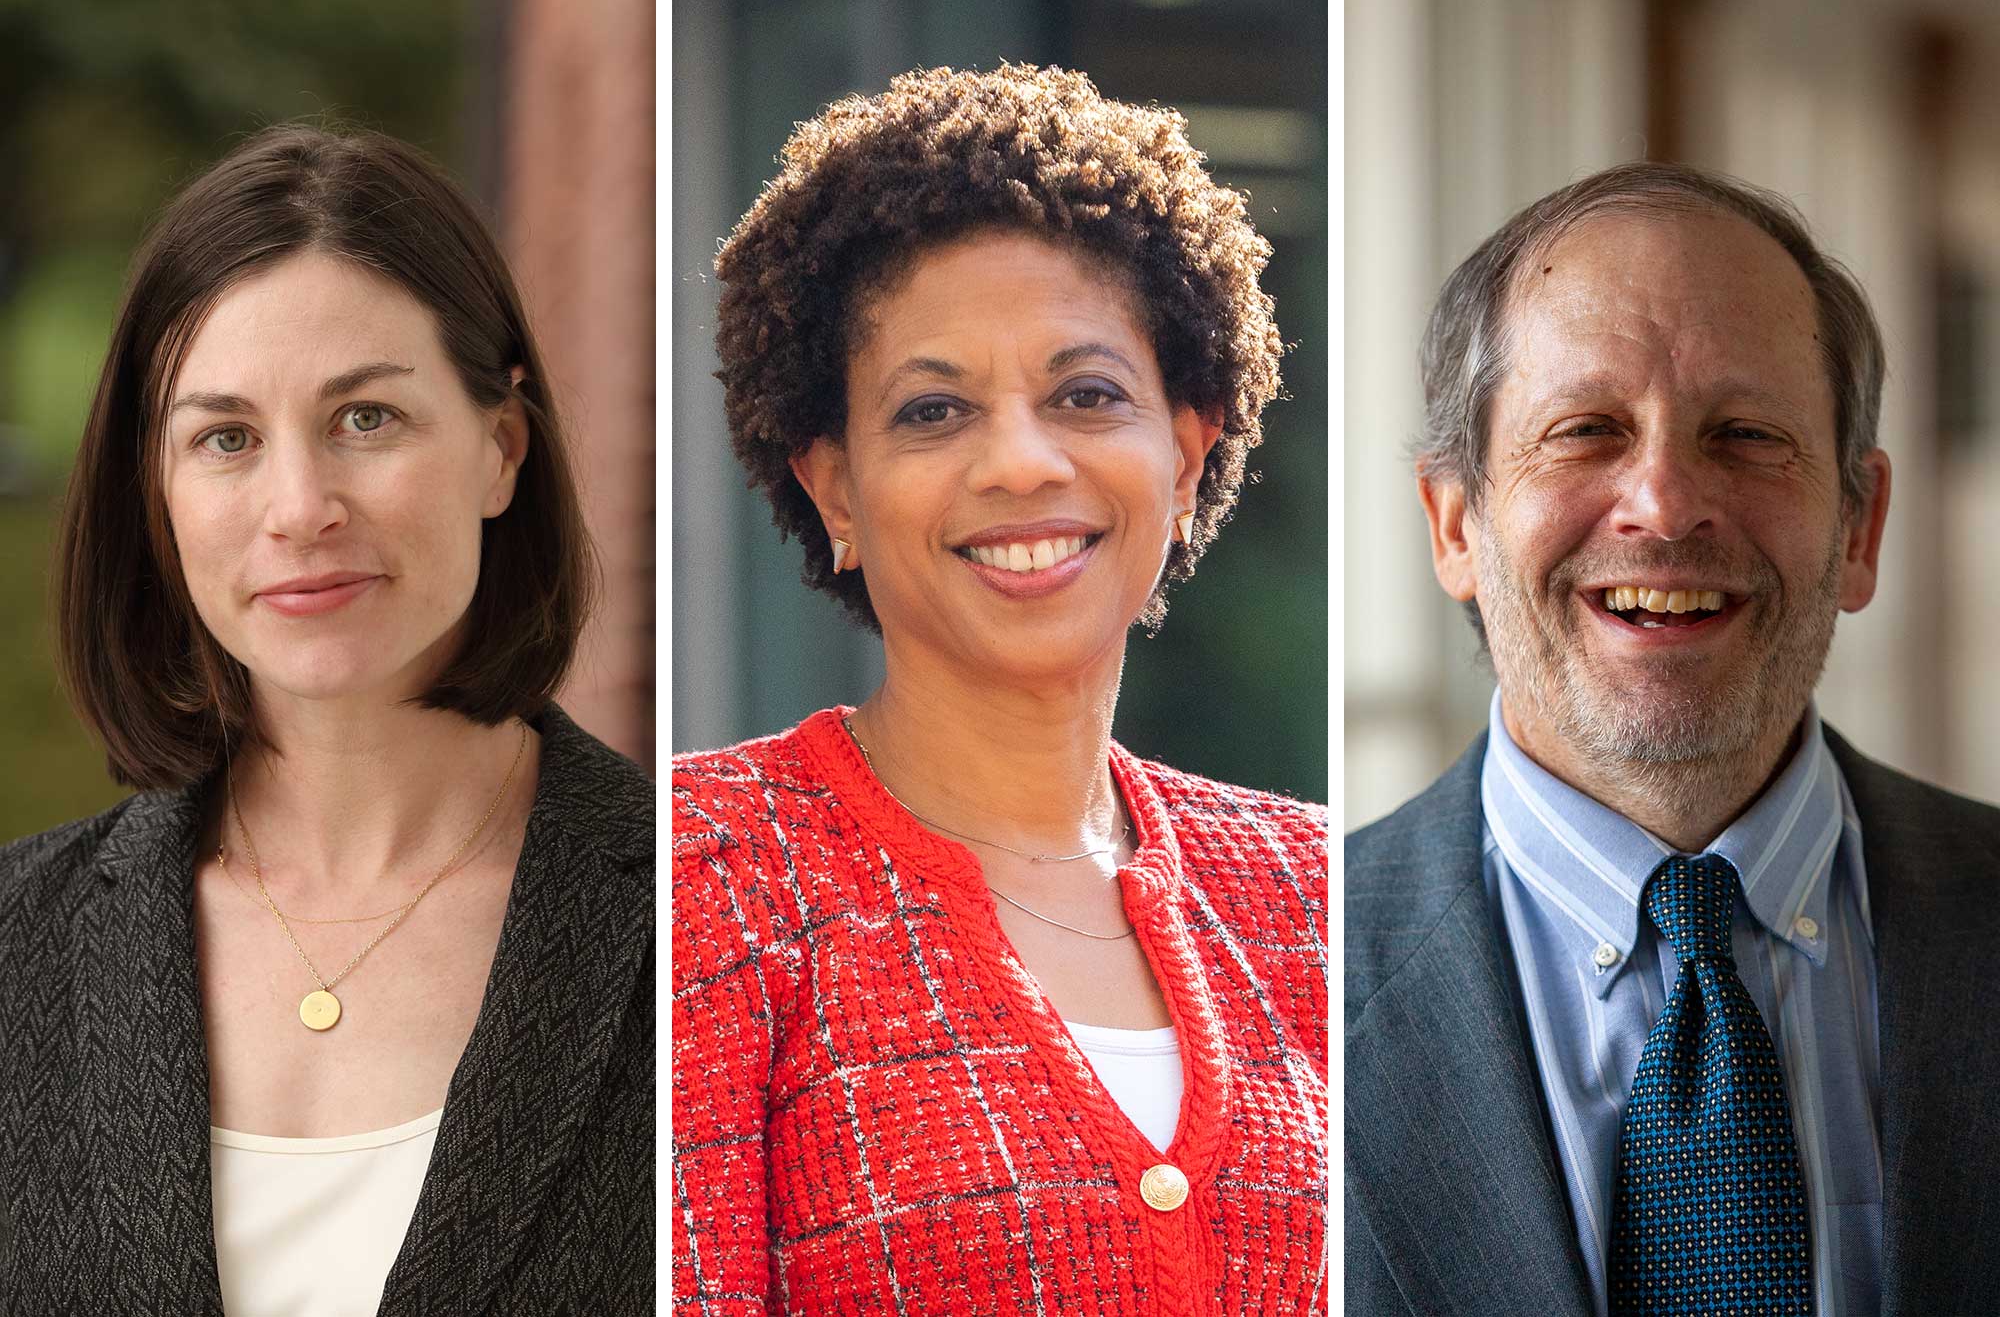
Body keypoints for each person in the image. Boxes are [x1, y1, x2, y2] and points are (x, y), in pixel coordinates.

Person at [672, 64, 1328, 1313]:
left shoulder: (1318, 891)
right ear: (836, 492)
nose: (1022, 462)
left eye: (1085, 395)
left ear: (1184, 456)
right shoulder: (705, 870)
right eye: (933, 411)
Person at [0, 124, 654, 1314]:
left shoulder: (711, 915)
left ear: (500, 449)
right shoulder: (14, 946)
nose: (299, 507)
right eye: (226, 438)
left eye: (367, 419)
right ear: (159, 494)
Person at [1345, 162, 2000, 1317]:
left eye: (1746, 434)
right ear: (1454, 523)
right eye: (1584, 429)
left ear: (1859, 525)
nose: (1661, 501)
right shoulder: (1274, 979)